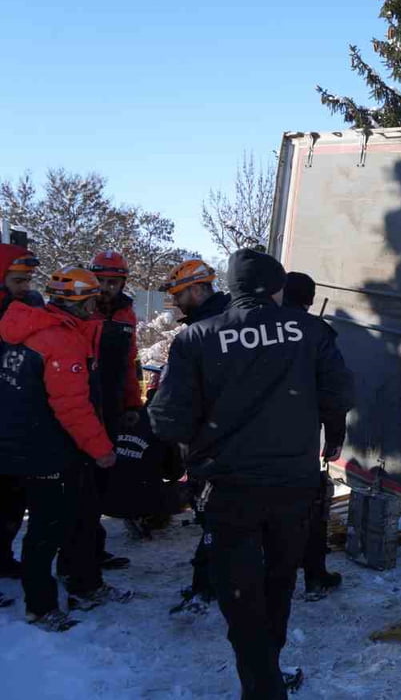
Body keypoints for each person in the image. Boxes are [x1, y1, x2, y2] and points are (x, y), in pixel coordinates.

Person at [151, 249, 353, 699]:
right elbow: (340, 392)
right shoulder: (311, 331)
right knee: (279, 580)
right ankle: (267, 677)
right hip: (292, 486)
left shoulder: (196, 339)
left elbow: (166, 421)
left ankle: (261, 683)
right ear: (277, 288)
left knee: (240, 592)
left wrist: (206, 438)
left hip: (229, 489)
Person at [0, 266, 128, 631]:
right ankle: (39, 606)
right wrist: (101, 448)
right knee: (48, 529)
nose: (96, 305)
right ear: (78, 301)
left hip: (34, 443)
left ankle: (84, 584)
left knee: (81, 517)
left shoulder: (31, 329)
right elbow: (71, 405)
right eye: (92, 299)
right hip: (49, 449)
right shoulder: (59, 339)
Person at [158, 257, 227, 614]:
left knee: (213, 514)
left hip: (211, 442)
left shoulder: (204, 332)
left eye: (181, 294)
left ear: (199, 289)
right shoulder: (226, 323)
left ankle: (209, 585)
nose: (176, 302)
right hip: (225, 438)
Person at [283, 271, 343, 601]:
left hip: (256, 440)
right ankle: (314, 576)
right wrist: (335, 438)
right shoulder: (319, 333)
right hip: (302, 439)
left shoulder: (260, 329)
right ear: (309, 300)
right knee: (310, 506)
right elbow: (335, 393)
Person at [85, 250, 143, 570]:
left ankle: (94, 548)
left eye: (113, 282)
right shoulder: (80, 310)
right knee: (81, 484)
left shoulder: (126, 315)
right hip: (80, 405)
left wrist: (133, 403)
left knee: (102, 482)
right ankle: (77, 553)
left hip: (111, 405)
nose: (107, 287)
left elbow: (130, 363)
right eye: (101, 280)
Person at [0, 243, 41, 582]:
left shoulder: (29, 311)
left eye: (28, 281)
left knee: (12, 500)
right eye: (18, 281)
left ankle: (2, 556)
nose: (25, 288)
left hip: (16, 423)